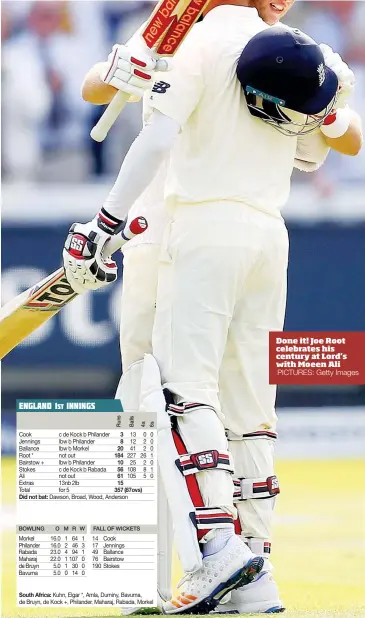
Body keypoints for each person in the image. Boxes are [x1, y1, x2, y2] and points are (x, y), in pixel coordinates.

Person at [63, 0, 362, 614]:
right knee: (176, 398)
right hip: (198, 228)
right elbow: (96, 86)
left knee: (175, 394)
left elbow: (338, 138)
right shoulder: (191, 36)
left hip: (188, 227)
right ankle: (217, 578)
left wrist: (103, 225)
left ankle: (226, 560)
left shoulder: (269, 51)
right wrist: (127, 65)